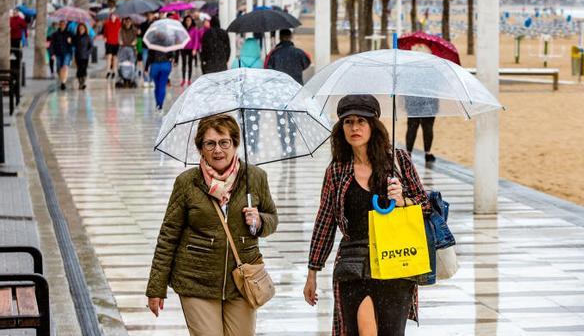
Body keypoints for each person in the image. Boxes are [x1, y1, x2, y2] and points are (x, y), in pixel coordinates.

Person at [304, 94, 430, 336]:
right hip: (354, 263)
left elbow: (426, 206)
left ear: (373, 125)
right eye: (348, 122)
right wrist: (312, 272)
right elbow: (325, 221)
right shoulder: (337, 171)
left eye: (361, 121)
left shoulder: (398, 161)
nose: (355, 128)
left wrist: (403, 200)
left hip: (395, 260)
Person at [146, 114, 278, 336]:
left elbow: (272, 218)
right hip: (196, 280)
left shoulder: (254, 177)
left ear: (235, 144)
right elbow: (168, 236)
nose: (218, 150)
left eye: (224, 142)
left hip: (241, 282)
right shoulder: (187, 182)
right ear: (201, 148)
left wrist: (260, 220)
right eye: (210, 143)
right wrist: (155, 288)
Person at [404, 96, 438, 163]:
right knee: (427, 127)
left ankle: (408, 152)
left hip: (413, 102)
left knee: (412, 127)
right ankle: (427, 153)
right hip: (429, 102)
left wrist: (407, 102)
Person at [48, 20, 73, 90]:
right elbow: (51, 45)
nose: (62, 26)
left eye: (64, 24)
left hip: (67, 52)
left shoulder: (69, 34)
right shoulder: (55, 34)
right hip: (58, 53)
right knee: (59, 69)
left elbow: (74, 43)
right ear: (59, 25)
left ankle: (63, 82)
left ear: (66, 25)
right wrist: (52, 54)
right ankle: (62, 79)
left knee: (65, 67)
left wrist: (71, 41)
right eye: (61, 24)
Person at [179, 15, 198, 86]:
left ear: (191, 21)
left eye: (189, 20)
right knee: (184, 64)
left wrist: (194, 49)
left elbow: (196, 40)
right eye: (187, 20)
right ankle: (183, 79)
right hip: (183, 48)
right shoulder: (182, 29)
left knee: (190, 64)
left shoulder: (194, 29)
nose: (188, 22)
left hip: (191, 49)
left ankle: (189, 80)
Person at [72, 23, 93, 90]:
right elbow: (73, 44)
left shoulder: (88, 37)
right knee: (79, 69)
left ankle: (83, 83)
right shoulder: (75, 37)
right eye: (80, 29)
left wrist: (88, 52)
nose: (81, 30)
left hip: (85, 56)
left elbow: (91, 46)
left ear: (85, 29)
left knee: (84, 69)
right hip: (78, 55)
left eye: (82, 29)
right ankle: (80, 82)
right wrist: (70, 41)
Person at [103, 13, 122, 79]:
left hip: (116, 42)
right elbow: (105, 32)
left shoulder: (119, 23)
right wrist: (105, 38)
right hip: (109, 41)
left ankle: (114, 71)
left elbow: (120, 32)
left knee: (115, 58)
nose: (113, 16)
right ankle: (108, 71)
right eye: (112, 15)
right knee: (109, 57)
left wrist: (120, 40)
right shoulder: (107, 23)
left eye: (114, 15)